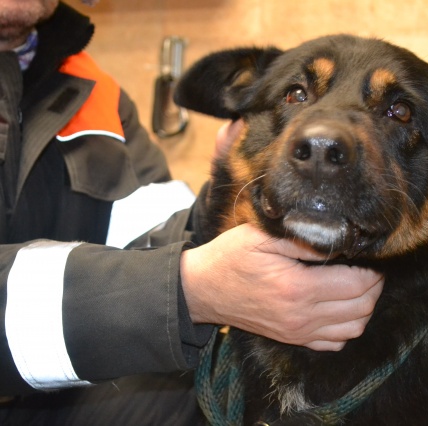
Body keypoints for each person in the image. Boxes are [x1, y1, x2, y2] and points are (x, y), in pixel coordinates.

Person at [0, 0, 384, 423]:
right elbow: (172, 279)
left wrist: (228, 194)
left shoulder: (92, 93)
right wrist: (187, 293)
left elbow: (146, 241)